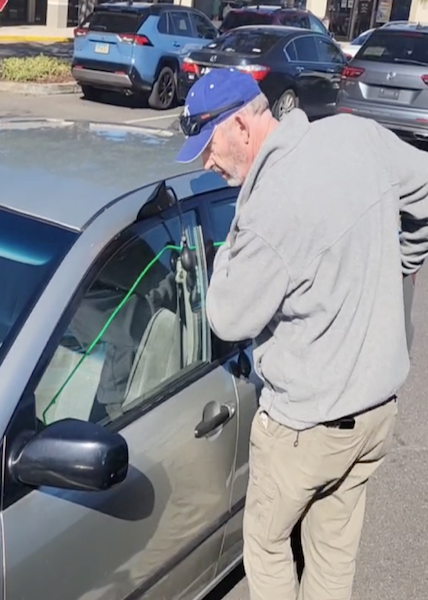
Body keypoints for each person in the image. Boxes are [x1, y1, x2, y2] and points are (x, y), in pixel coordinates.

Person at [174, 68, 428, 600]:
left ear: (242, 124)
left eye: (209, 145)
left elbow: (226, 319)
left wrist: (223, 252)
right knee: (332, 553)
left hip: (303, 429)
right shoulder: (353, 135)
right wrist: (404, 263)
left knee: (266, 549)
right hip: (374, 412)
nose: (207, 162)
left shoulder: (268, 211)